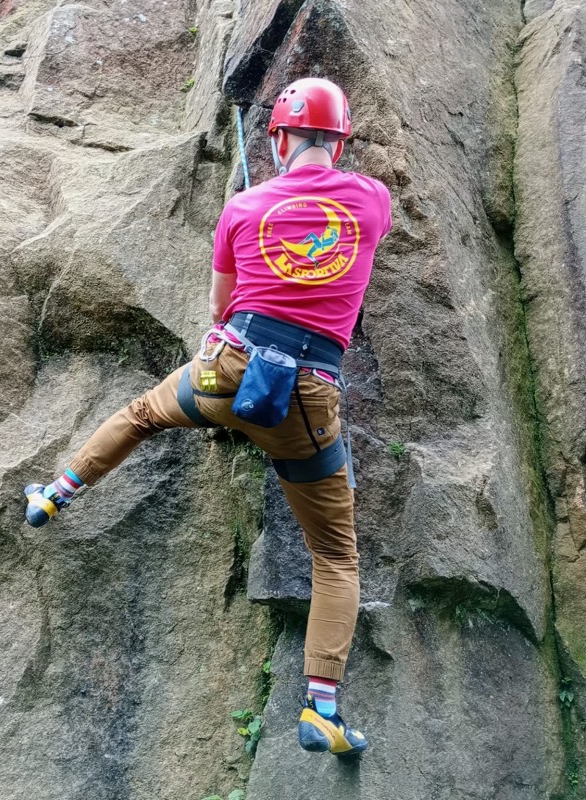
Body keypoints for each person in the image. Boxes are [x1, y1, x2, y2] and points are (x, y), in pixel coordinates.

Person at [25, 77, 392, 756]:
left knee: (143, 412)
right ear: (339, 143)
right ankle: (321, 710)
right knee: (335, 557)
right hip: (303, 402)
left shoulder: (243, 207)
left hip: (226, 373)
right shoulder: (371, 200)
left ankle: (54, 494)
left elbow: (222, 307)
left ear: (278, 140)